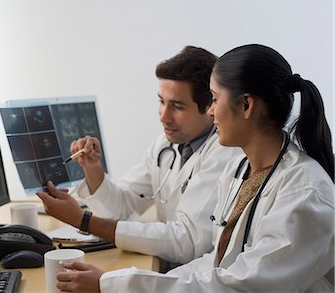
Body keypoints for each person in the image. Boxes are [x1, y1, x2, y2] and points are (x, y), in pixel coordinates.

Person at [51, 44, 335, 292]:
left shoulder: (304, 193)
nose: (211, 111)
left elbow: (244, 286)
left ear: (246, 105)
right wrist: (120, 282)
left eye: (214, 98)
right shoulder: (240, 170)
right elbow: (216, 262)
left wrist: (116, 284)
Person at [38, 46, 241, 270]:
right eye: (161, 101)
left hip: (195, 279)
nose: (164, 116)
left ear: (210, 106)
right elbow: (122, 208)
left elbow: (188, 241)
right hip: (170, 269)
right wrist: (93, 168)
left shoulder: (226, 155)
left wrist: (83, 220)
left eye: (177, 106)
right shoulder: (165, 146)